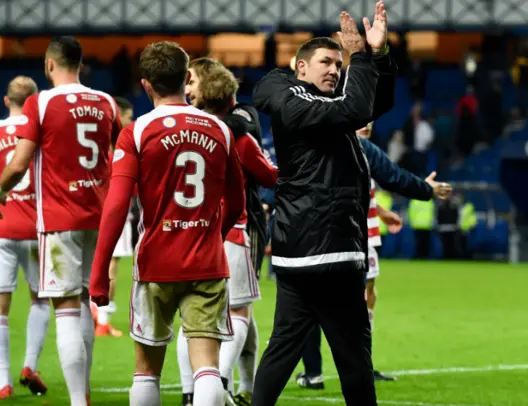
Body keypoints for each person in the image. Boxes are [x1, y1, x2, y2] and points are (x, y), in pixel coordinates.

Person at [250, 4, 395, 405]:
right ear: (300, 68)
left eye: (338, 62)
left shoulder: (317, 104)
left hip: (302, 253)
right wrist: (360, 57)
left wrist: (377, 57)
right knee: (352, 358)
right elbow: (358, 108)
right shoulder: (299, 102)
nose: (335, 69)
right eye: (326, 62)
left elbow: (374, 103)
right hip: (328, 249)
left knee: (283, 349)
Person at [88, 41, 245, 406]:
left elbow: (116, 205)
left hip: (156, 262)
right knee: (206, 366)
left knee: (146, 370)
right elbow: (237, 202)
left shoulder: (137, 131)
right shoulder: (220, 129)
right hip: (206, 262)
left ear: (146, 84)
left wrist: (99, 272)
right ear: (186, 77)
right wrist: (212, 235)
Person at [0, 36, 121, 406]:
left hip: (59, 220)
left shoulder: (41, 103)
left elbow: (18, 164)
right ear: (80, 65)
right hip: (99, 217)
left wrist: (0, 193)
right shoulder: (106, 102)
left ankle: (79, 401)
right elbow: (121, 151)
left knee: (66, 305)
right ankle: (84, 396)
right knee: (83, 300)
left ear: (50, 65)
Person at [295, 123, 453, 389]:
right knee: (331, 304)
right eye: (360, 120)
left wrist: (381, 212)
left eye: (369, 120)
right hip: (344, 237)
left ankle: (346, 367)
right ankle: (334, 369)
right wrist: (422, 189)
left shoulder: (357, 153)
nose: (366, 125)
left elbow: (365, 190)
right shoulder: (344, 150)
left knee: (360, 297)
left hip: (360, 236)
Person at [177, 58, 277, 406]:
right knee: (238, 312)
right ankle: (217, 385)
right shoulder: (237, 131)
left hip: (189, 230)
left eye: (191, 83)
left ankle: (227, 390)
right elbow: (270, 176)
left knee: (198, 313)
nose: (186, 89)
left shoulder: (182, 130)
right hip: (235, 227)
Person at [0, 76, 50, 399]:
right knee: (40, 299)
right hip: (38, 228)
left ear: (6, 101)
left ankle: (3, 383)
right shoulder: (41, 133)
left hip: (1, 229)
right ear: (34, 100)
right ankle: (29, 365)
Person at [92, 96, 134, 338]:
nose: (130, 121)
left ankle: (99, 315)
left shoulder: (103, 146)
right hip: (112, 212)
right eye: (128, 117)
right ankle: (102, 318)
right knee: (111, 268)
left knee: (106, 267)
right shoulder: (119, 147)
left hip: (100, 211)